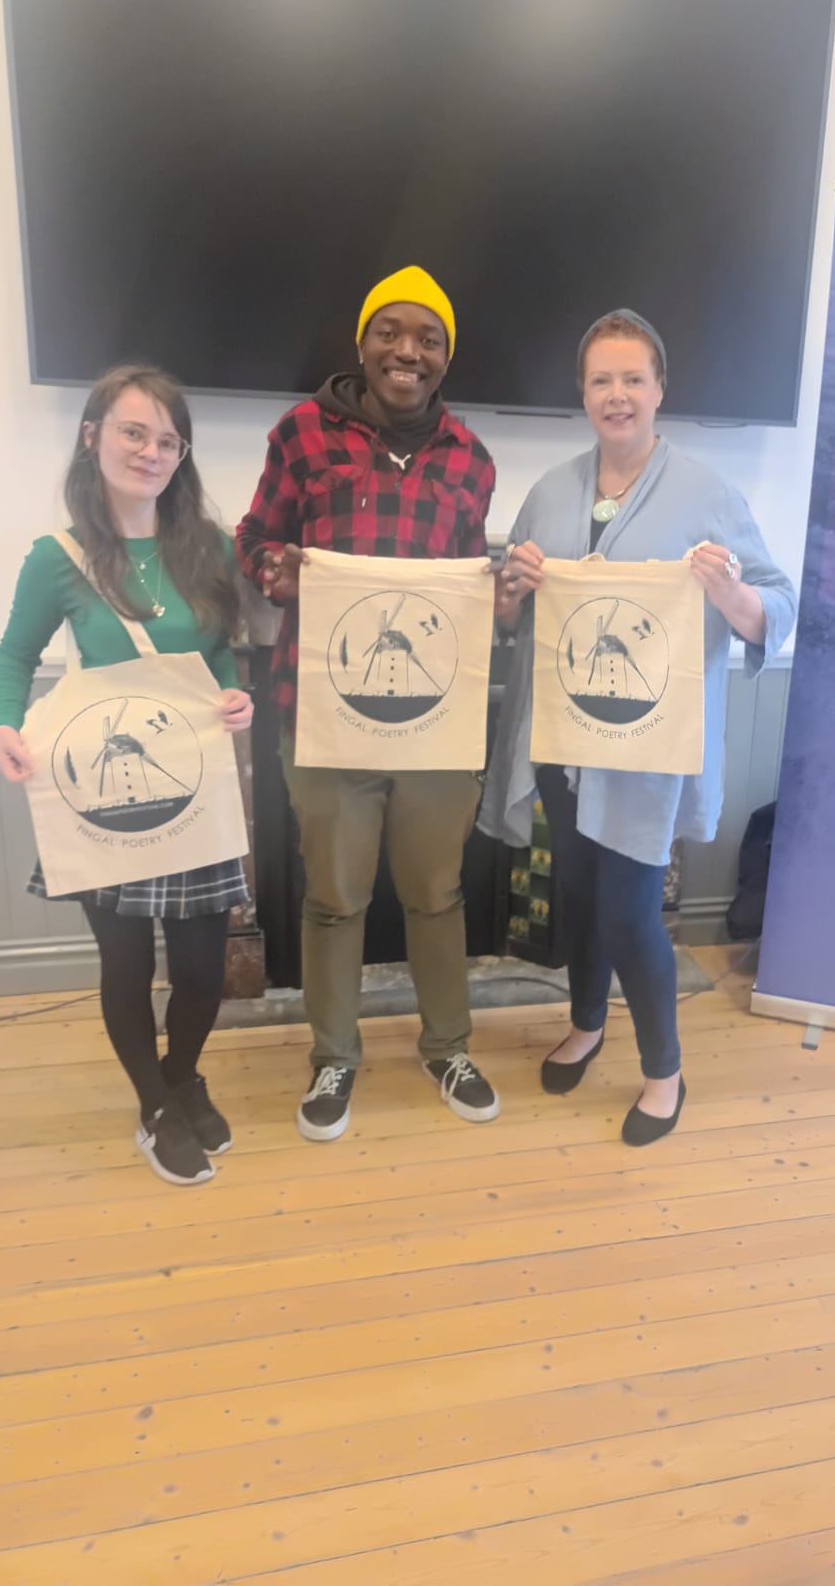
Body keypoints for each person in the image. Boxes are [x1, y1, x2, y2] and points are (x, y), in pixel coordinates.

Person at [479, 309, 797, 1145]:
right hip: (562, 740)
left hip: (644, 750)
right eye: (600, 380)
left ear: (659, 389)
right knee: (579, 899)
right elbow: (509, 617)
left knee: (628, 912)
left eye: (631, 379)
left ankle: (665, 1072)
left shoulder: (707, 493)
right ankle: (586, 1024)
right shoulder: (551, 491)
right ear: (582, 392)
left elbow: (777, 605)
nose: (615, 395)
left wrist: (729, 593)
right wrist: (511, 591)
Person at [235, 266, 500, 1142]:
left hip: (433, 722)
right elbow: (254, 537)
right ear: (362, 343)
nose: (407, 351)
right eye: (391, 332)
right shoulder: (301, 433)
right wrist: (272, 571)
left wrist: (498, 598)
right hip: (323, 716)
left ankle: (447, 1047)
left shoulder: (472, 460)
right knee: (335, 897)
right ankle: (334, 1056)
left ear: (446, 356)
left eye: (428, 338)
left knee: (436, 892)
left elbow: (466, 586)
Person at [0, 364, 254, 1186]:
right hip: (102, 801)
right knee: (128, 966)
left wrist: (233, 694)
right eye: (134, 432)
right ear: (92, 436)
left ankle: (182, 1076)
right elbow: (13, 658)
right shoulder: (58, 558)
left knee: (203, 970)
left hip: (194, 787)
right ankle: (155, 1106)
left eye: (169, 440)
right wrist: (2, 724)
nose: (151, 452)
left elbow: (217, 654)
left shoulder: (210, 547)